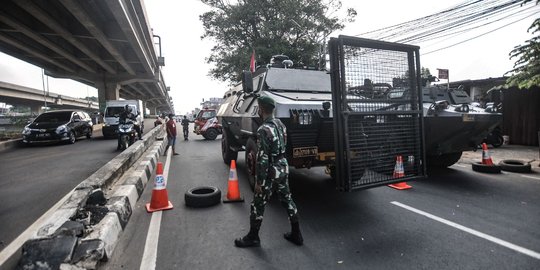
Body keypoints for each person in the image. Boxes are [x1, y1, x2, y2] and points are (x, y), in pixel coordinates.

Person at [234, 96, 303, 248]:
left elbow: (263, 157)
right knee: (287, 199)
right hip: (282, 166)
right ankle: (297, 234)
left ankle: (253, 237)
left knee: (258, 203)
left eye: (258, 106)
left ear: (261, 108)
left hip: (270, 169)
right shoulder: (280, 124)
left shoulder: (263, 130)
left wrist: (259, 181)